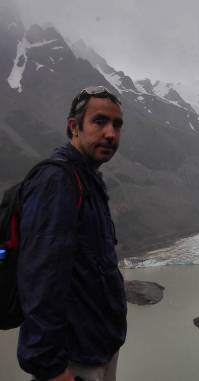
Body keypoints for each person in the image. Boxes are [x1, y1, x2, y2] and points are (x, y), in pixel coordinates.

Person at [17, 86, 127, 381]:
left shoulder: (88, 178)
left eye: (117, 125)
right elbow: (40, 277)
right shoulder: (57, 181)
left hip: (98, 349)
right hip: (73, 361)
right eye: (99, 121)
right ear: (73, 127)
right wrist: (50, 367)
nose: (110, 134)